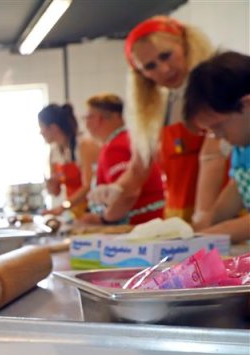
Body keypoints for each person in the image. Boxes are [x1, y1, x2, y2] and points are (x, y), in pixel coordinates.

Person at [89, 16, 227, 224]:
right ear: (142, 75)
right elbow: (139, 168)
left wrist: (203, 216)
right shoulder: (159, 109)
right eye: (150, 66)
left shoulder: (217, 87)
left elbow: (213, 157)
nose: (163, 69)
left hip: (223, 211)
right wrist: (117, 189)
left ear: (185, 45)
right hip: (179, 216)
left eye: (166, 56)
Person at [183, 51, 250, 243]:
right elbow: (235, 191)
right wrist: (198, 230)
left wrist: (206, 237)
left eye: (218, 126)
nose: (217, 137)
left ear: (246, 105)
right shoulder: (243, 147)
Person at [80, 93, 165, 224]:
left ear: (98, 119)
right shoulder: (125, 139)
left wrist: (104, 219)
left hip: (138, 225)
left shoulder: (116, 146)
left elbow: (128, 193)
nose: (86, 123)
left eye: (87, 117)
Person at [38, 104, 100, 218]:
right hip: (74, 211)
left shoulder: (84, 146)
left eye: (41, 127)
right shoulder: (54, 152)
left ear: (53, 128)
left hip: (93, 210)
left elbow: (89, 186)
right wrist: (51, 186)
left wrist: (63, 207)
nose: (40, 132)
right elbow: (56, 192)